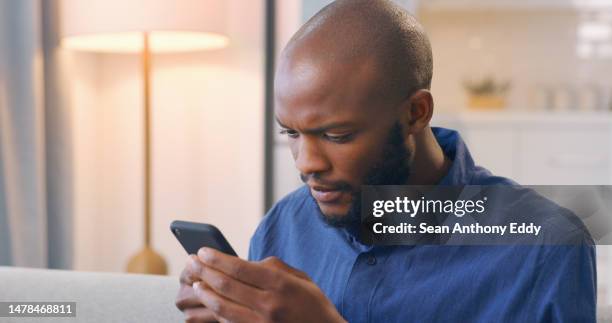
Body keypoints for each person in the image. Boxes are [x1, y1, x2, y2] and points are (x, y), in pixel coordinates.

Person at [176, 0, 596, 322]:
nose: (306, 164)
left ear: (416, 113)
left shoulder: (545, 246)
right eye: (291, 133)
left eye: (336, 135)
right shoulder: (282, 227)